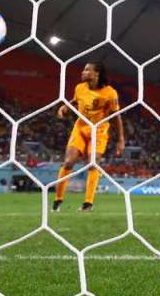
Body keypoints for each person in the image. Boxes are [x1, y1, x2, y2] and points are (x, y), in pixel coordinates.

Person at [53, 62, 125, 212]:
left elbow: (116, 116)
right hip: (80, 128)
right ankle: (58, 201)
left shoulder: (110, 93)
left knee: (93, 164)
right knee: (68, 162)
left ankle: (88, 203)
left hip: (99, 130)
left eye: (87, 70)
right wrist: (65, 107)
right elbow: (75, 101)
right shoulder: (80, 87)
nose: (83, 72)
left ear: (96, 74)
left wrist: (120, 139)